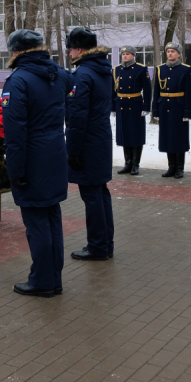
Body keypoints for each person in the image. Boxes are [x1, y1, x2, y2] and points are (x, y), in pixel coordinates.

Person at [2, 29, 71, 297]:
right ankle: (54, 278)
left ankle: (42, 281)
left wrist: (15, 170)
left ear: (17, 51)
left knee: (36, 222)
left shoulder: (18, 80)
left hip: (32, 158)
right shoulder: (57, 74)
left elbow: (15, 131)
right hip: (55, 153)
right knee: (52, 217)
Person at [65, 28, 115, 261]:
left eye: (72, 48)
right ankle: (105, 243)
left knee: (92, 195)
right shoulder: (102, 70)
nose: (70, 52)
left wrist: (72, 150)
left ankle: (97, 246)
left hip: (87, 141)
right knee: (101, 192)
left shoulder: (83, 74)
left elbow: (77, 117)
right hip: (101, 137)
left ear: (80, 49)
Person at [153, 41, 191, 178]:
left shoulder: (185, 69)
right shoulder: (160, 69)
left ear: (179, 54)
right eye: (168, 51)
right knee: (167, 137)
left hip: (179, 107)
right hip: (164, 106)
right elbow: (156, 91)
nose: (170, 53)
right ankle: (171, 166)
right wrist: (155, 110)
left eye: (173, 51)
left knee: (179, 138)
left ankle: (180, 168)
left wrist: (188, 112)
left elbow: (189, 93)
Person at [112, 45, 152, 176]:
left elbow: (147, 89)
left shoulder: (141, 69)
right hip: (121, 105)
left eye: (128, 54)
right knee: (124, 135)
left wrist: (146, 107)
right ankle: (127, 163)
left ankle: (135, 164)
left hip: (135, 105)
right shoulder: (116, 69)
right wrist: (112, 107)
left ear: (133, 55)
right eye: (123, 54)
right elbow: (113, 90)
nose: (125, 56)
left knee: (135, 135)